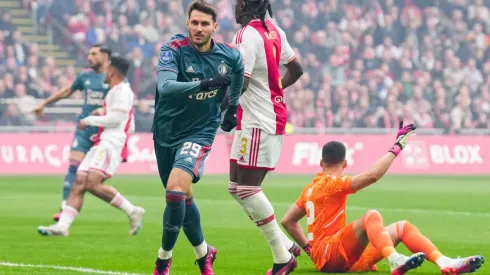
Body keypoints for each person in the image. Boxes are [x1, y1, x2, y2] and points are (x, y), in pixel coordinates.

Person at [280, 122, 485, 275]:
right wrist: (396, 148)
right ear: (345, 164)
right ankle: (394, 259)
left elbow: (287, 221)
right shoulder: (332, 183)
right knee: (371, 216)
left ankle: (445, 262)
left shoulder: (310, 189)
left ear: (320, 162)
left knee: (402, 227)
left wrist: (309, 248)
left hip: (340, 258)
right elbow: (371, 176)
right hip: (332, 255)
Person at [151, 1, 244, 275]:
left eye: (205, 24)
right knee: (181, 196)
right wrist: (203, 84)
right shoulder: (173, 49)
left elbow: (238, 73)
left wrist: (233, 107)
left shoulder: (229, 55)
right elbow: (165, 88)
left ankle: (163, 261)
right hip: (166, 131)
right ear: (187, 24)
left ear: (215, 27)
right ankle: (204, 255)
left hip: (200, 130)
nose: (199, 28)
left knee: (176, 189)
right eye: (195, 23)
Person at [227, 0, 304, 274]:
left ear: (248, 6)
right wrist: (274, 88)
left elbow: (243, 80)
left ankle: (282, 257)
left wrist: (219, 107)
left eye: (238, 3)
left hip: (259, 121)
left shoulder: (245, 34)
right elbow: (297, 70)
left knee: (248, 189)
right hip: (258, 118)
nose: (234, 8)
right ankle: (286, 245)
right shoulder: (275, 30)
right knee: (236, 188)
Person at [37, 55, 145, 237]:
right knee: (79, 182)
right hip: (101, 142)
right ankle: (62, 226)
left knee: (93, 183)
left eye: (107, 68)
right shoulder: (114, 92)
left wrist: (91, 119)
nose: (104, 71)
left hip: (110, 144)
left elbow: (118, 118)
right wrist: (102, 112)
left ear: (112, 71)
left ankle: (132, 210)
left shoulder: (123, 92)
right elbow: (126, 121)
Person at [32, 44, 112, 222]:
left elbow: (123, 102)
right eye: (89, 53)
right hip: (84, 129)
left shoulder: (115, 77)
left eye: (94, 54)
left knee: (92, 179)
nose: (89, 57)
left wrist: (104, 110)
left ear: (105, 56)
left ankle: (128, 210)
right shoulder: (85, 75)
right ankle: (64, 207)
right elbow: (67, 91)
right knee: (73, 167)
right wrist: (44, 104)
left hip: (104, 132)